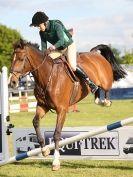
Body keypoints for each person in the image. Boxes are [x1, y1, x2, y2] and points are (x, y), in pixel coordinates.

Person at [30, 11, 98, 93]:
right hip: (58, 49)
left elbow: (61, 41)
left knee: (72, 66)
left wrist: (53, 47)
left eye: (38, 26)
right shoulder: (41, 33)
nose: (38, 28)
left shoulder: (56, 26)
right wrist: (41, 57)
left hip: (69, 45)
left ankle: (90, 82)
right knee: (47, 62)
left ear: (44, 23)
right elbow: (44, 47)